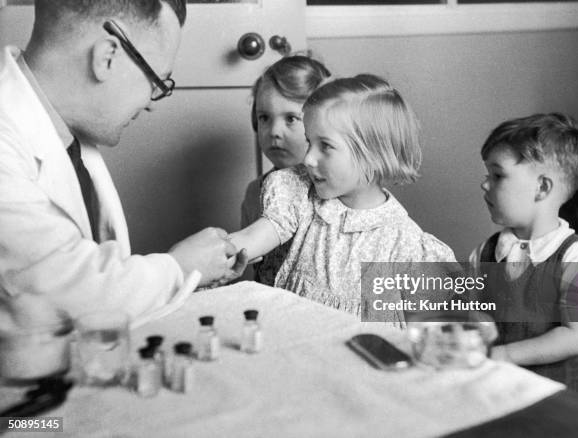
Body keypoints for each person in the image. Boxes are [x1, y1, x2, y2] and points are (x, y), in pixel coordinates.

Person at [0, 0, 247, 325]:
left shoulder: (66, 131)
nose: (149, 103)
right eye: (157, 82)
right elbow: (54, 290)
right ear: (108, 56)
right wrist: (180, 268)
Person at [231, 74, 455, 319]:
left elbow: (444, 326)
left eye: (325, 146)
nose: (308, 158)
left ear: (373, 155)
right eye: (309, 142)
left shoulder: (406, 246)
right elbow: (252, 238)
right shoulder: (298, 194)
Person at [469, 113, 578, 393]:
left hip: (557, 405)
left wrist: (505, 355)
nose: (484, 184)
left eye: (497, 175)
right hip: (499, 393)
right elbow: (475, 312)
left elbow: (576, 337)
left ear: (542, 187)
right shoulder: (485, 253)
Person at [241, 54, 331, 286]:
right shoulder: (256, 192)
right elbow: (254, 270)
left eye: (291, 118)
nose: (274, 131)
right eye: (264, 118)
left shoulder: (336, 189)